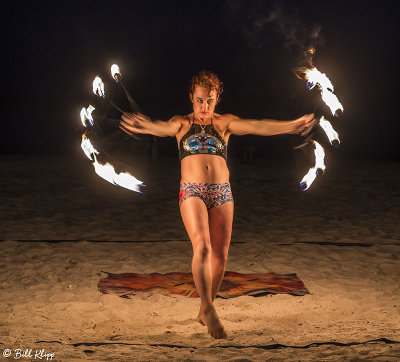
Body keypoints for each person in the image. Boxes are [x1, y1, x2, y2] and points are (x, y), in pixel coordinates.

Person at [119, 70, 315, 339]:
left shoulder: (225, 124)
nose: (204, 107)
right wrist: (143, 125)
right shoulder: (181, 124)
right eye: (200, 101)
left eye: (210, 101)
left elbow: (258, 125)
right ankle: (210, 310)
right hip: (192, 191)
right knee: (202, 246)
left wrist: (291, 125)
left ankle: (204, 307)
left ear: (217, 99)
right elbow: (159, 127)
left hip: (222, 192)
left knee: (220, 257)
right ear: (191, 97)